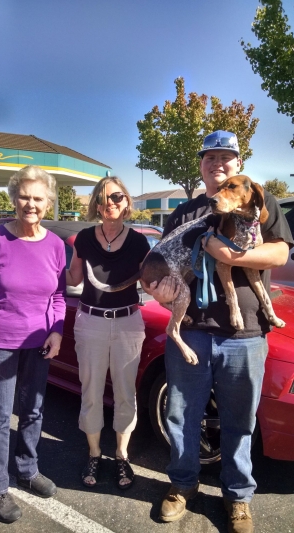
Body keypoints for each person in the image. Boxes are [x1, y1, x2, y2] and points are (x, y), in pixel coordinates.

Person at [148, 131, 293, 532]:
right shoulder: (184, 212)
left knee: (240, 419)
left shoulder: (262, 201)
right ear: (201, 165)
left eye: (225, 157)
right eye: (210, 157)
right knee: (181, 414)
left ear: (238, 164)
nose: (217, 164)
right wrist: (156, 291)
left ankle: (238, 497)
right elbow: (163, 263)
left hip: (245, 333)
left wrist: (231, 254)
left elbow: (281, 251)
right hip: (192, 328)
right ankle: (181, 485)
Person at [66, 176, 150, 491]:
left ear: (126, 201)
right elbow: (72, 277)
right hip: (91, 322)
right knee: (91, 391)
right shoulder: (84, 239)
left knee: (126, 392)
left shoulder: (140, 241)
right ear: (96, 205)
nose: (109, 203)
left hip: (128, 323)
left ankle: (121, 455)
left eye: (116, 197)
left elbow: (153, 281)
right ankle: (94, 453)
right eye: (102, 198)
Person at [0, 165, 66, 524]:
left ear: (49, 202)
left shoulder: (55, 245)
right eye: (24, 196)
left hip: (40, 342)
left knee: (34, 411)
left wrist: (57, 331)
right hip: (0, 342)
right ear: (13, 196)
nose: (31, 204)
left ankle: (28, 469)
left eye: (38, 198)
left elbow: (58, 295)